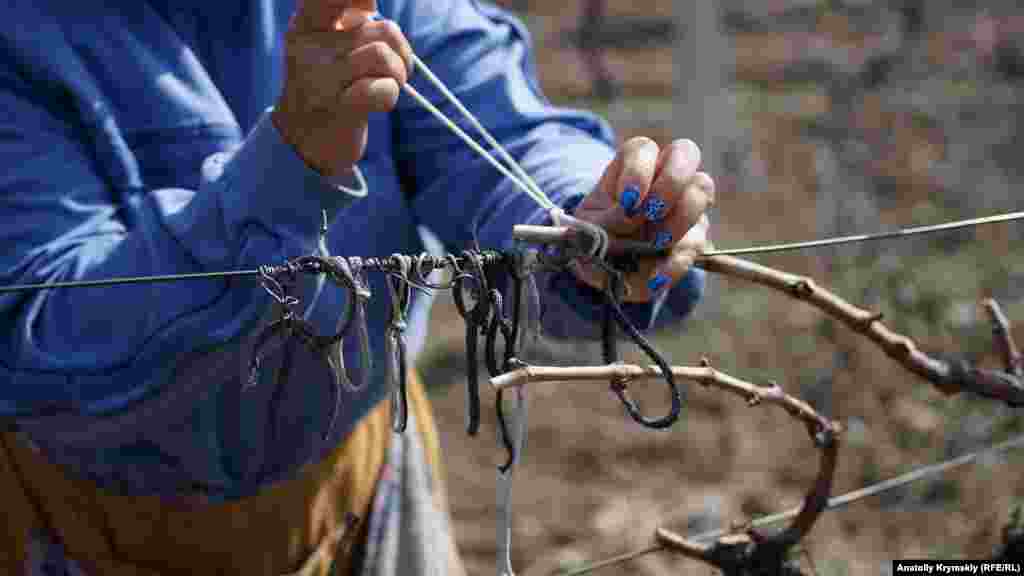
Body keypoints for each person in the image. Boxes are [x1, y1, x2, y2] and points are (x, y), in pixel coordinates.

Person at [0, 0, 714, 574]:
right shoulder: (23, 37)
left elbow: (507, 137)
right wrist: (287, 167)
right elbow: (49, 340)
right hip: (76, 530)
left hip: (363, 500)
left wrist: (595, 214)